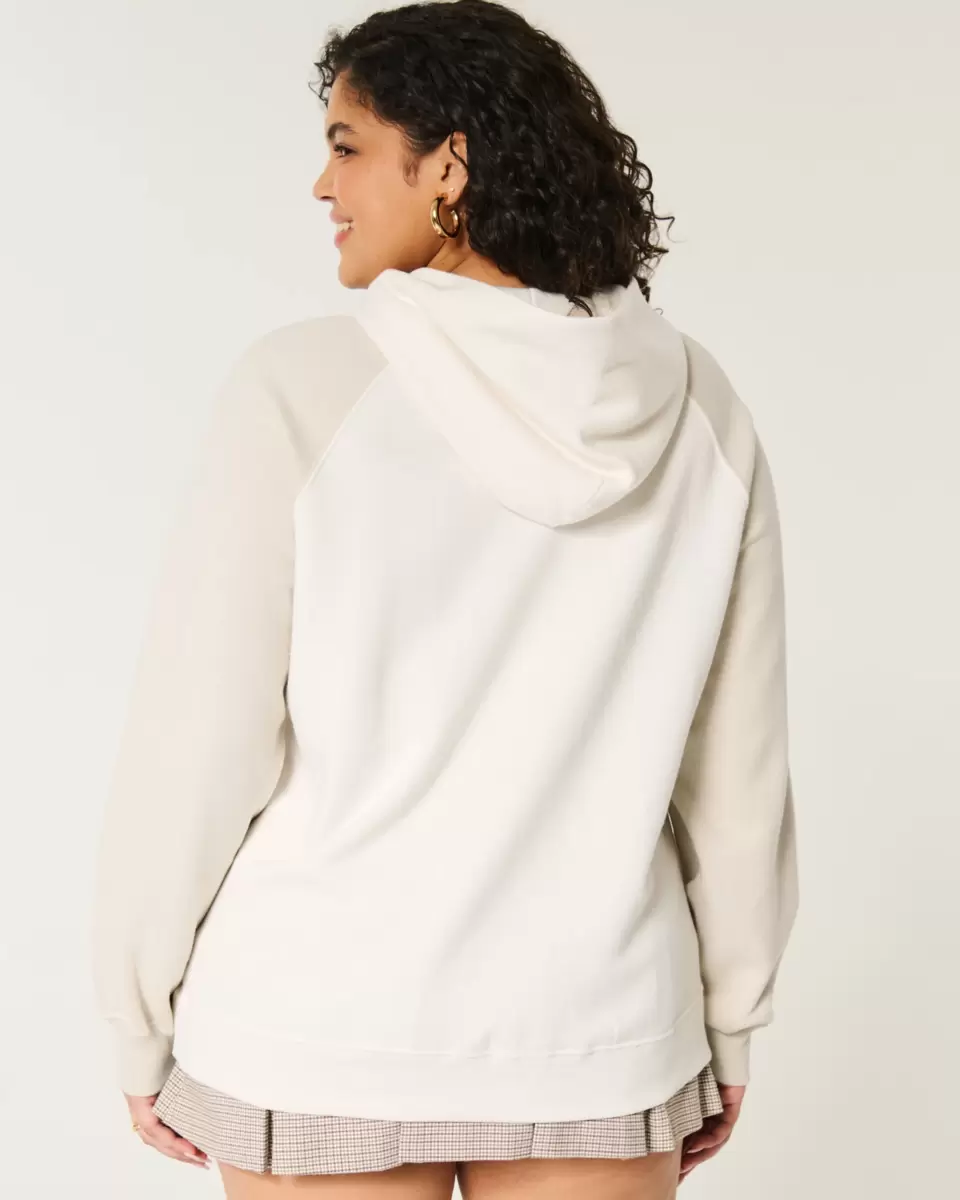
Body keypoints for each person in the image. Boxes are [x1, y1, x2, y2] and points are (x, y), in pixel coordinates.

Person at [90, 2, 799, 1197]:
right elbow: (737, 768)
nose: (322, 185)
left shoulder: (303, 386)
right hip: (597, 1031)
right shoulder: (698, 404)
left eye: (348, 145)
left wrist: (136, 1012)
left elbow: (200, 739)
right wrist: (731, 1018)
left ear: (449, 165)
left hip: (319, 1025)